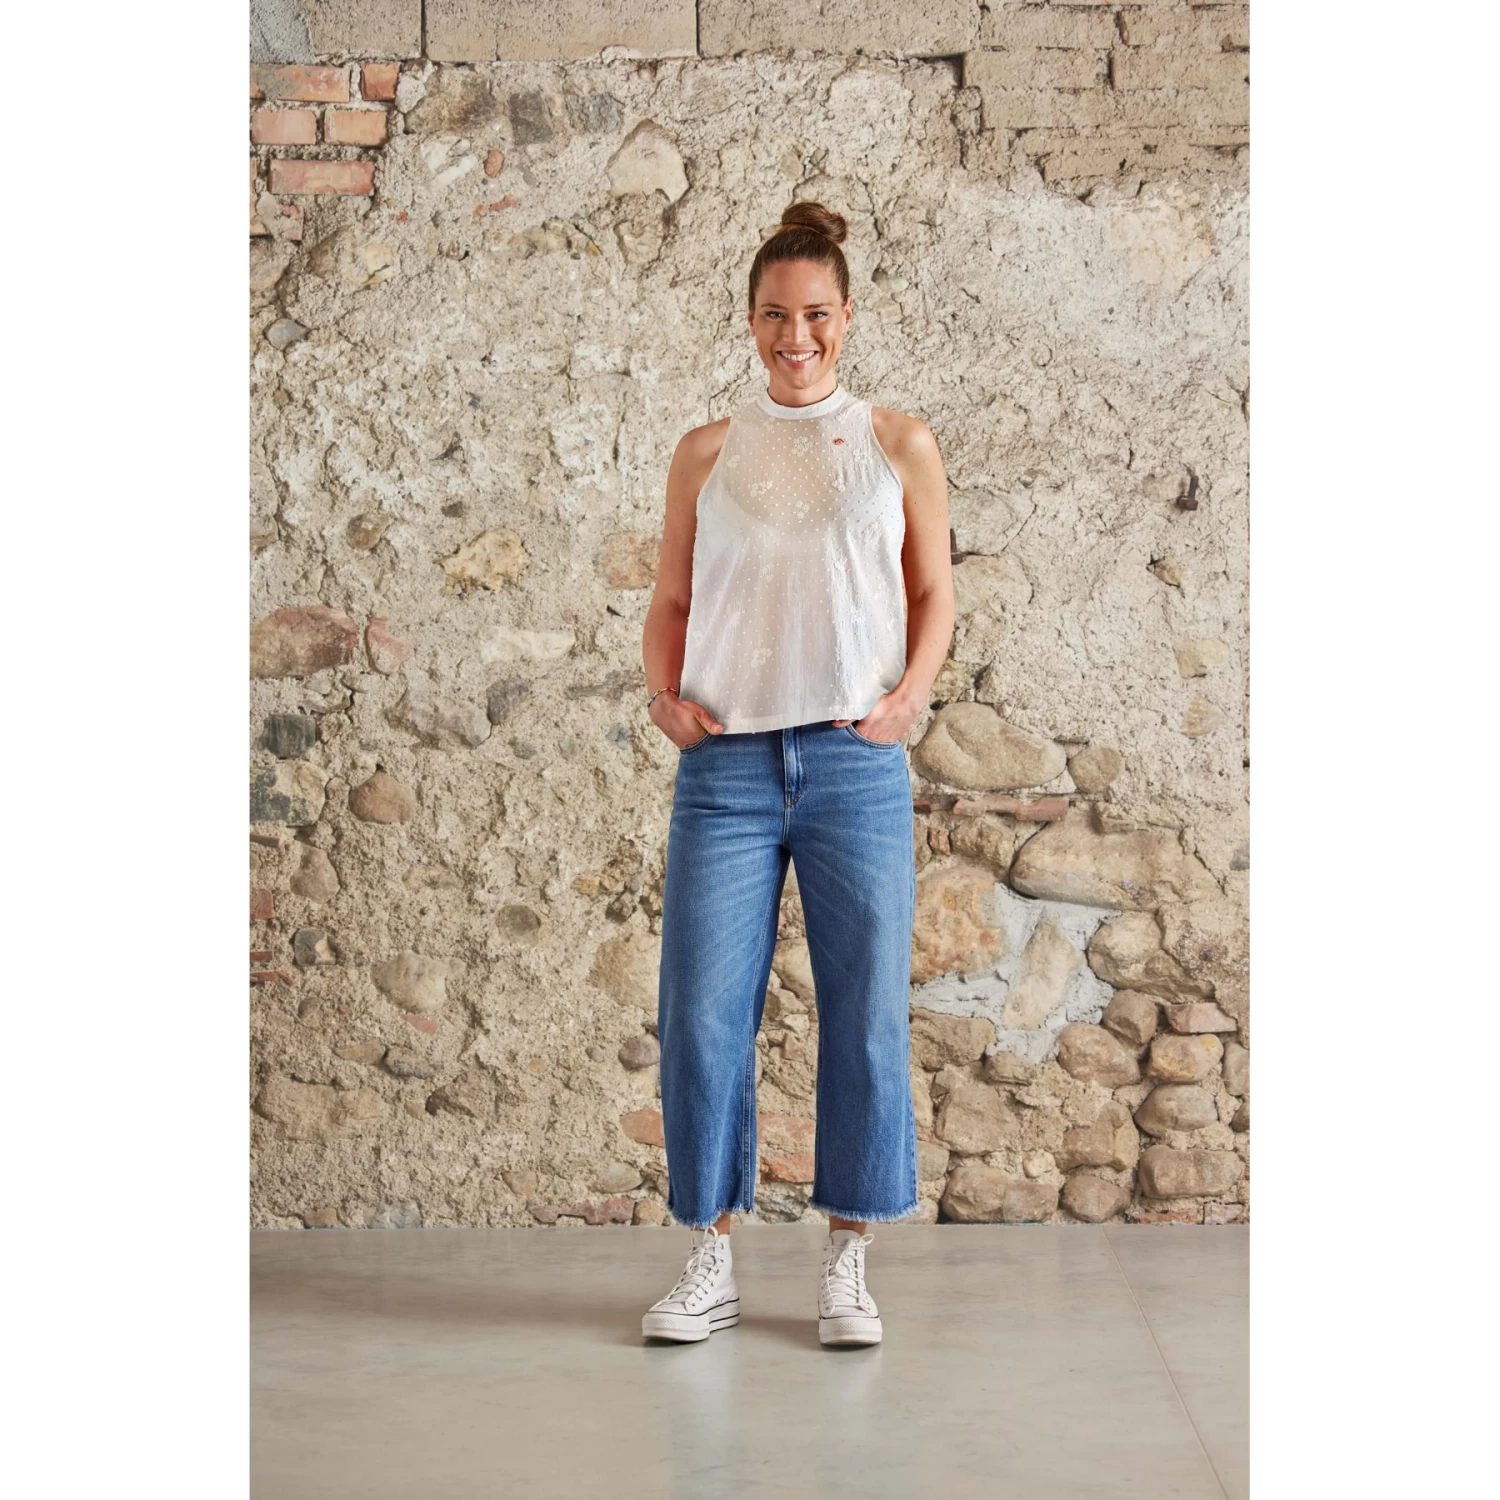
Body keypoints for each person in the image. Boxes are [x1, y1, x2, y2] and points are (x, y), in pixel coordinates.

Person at [638, 201, 954, 1347]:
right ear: (751, 321)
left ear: (847, 316)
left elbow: (933, 592)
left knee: (863, 1012)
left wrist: (908, 698)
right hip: (725, 766)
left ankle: (847, 1262)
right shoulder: (707, 452)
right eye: (776, 315)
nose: (796, 336)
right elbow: (672, 596)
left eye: (816, 314)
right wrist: (663, 698)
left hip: (850, 762)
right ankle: (709, 1257)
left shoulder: (898, 444)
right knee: (701, 1015)